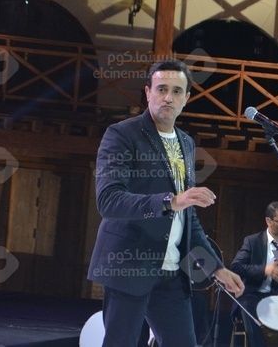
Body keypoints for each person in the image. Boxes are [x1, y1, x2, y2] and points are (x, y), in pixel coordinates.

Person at [87, 60, 244, 347]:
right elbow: (109, 200)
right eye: (161, 89)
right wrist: (171, 201)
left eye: (176, 91)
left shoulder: (186, 143)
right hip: (129, 265)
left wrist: (215, 268)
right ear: (148, 92)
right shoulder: (122, 134)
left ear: (186, 98)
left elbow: (188, 219)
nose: (168, 97)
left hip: (172, 272)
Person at [231, 201, 278, 347]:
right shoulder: (253, 241)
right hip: (257, 295)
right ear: (268, 221)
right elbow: (236, 266)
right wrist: (265, 270)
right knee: (246, 304)